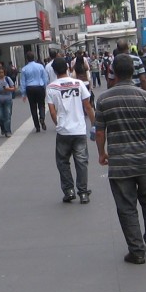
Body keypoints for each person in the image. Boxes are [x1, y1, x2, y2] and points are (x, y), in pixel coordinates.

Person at [94, 54, 146, 265]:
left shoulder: (104, 99)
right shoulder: (145, 97)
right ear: (134, 72)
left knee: (126, 207)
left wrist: (102, 153)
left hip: (119, 163)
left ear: (113, 73)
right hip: (145, 160)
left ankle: (136, 250)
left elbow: (100, 132)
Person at [47, 57, 95, 204]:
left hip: (63, 131)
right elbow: (88, 106)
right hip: (79, 129)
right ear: (68, 67)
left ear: (54, 71)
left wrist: (58, 124)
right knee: (81, 162)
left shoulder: (51, 87)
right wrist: (94, 123)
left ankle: (69, 191)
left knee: (62, 162)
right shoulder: (79, 83)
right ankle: (83, 193)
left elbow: (52, 111)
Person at [19, 51, 49, 132]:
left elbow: (23, 82)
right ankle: (42, 117)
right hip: (39, 86)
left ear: (27, 59)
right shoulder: (40, 66)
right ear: (34, 57)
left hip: (30, 88)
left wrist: (23, 93)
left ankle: (37, 126)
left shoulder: (24, 69)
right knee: (41, 104)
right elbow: (45, 78)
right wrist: (45, 88)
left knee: (33, 107)